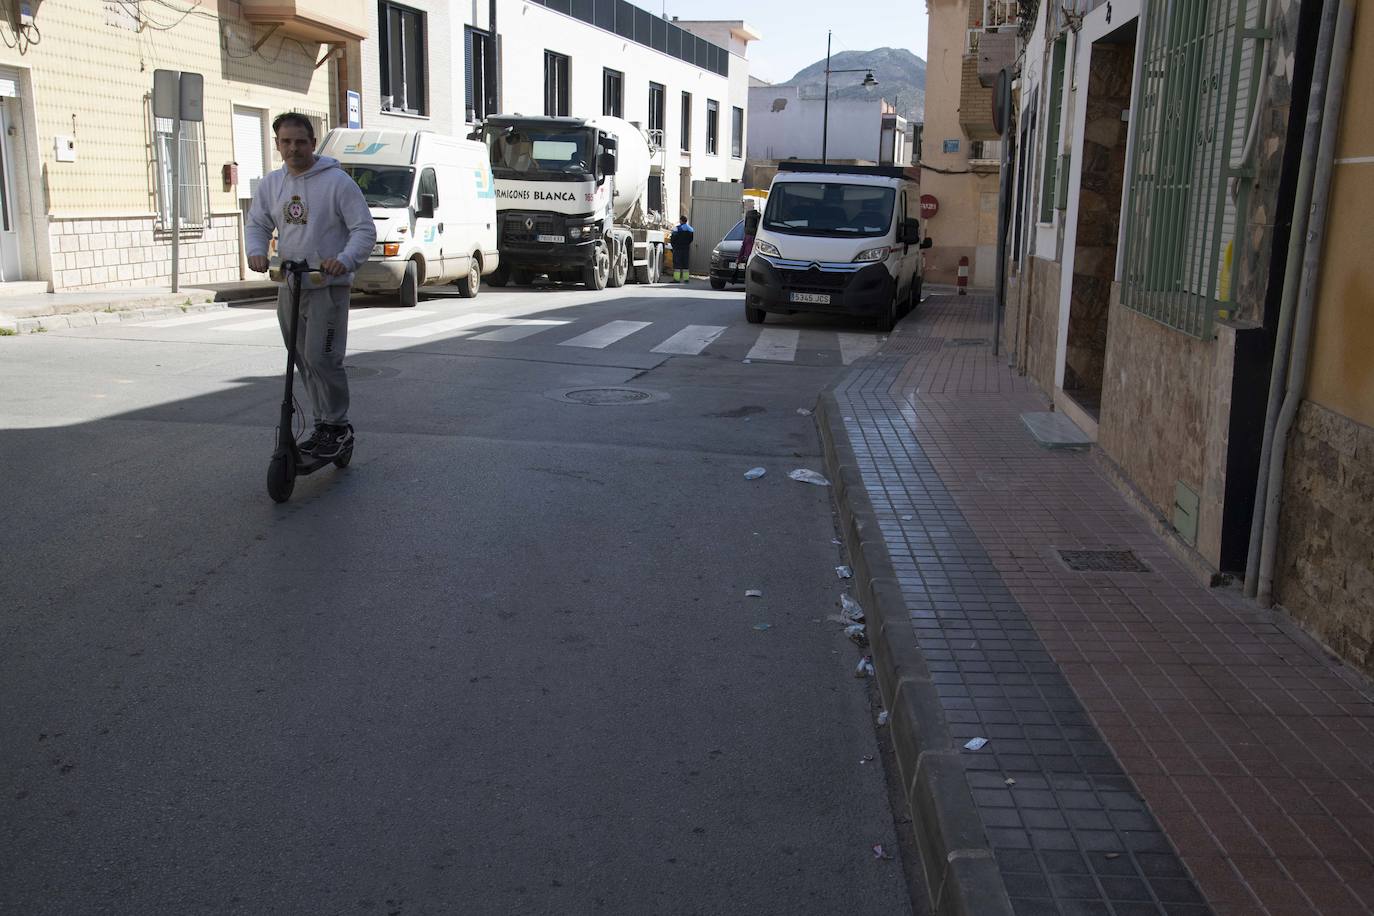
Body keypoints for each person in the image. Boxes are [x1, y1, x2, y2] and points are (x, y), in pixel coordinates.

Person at [246, 113, 375, 460]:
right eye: (285, 142)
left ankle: (337, 426)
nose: (293, 148)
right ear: (277, 145)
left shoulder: (337, 183)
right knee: (301, 358)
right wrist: (257, 251)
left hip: (326, 284)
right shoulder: (272, 184)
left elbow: (364, 230)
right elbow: (257, 223)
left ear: (312, 143)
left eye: (300, 141)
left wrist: (344, 260)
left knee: (323, 357)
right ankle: (322, 425)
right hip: (291, 283)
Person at [670, 215, 695, 283]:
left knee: (677, 264)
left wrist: (673, 246)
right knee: (685, 264)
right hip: (686, 249)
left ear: (681, 220)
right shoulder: (691, 229)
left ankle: (677, 279)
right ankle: (686, 279)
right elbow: (691, 240)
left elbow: (672, 239)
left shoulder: (677, 228)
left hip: (677, 249)